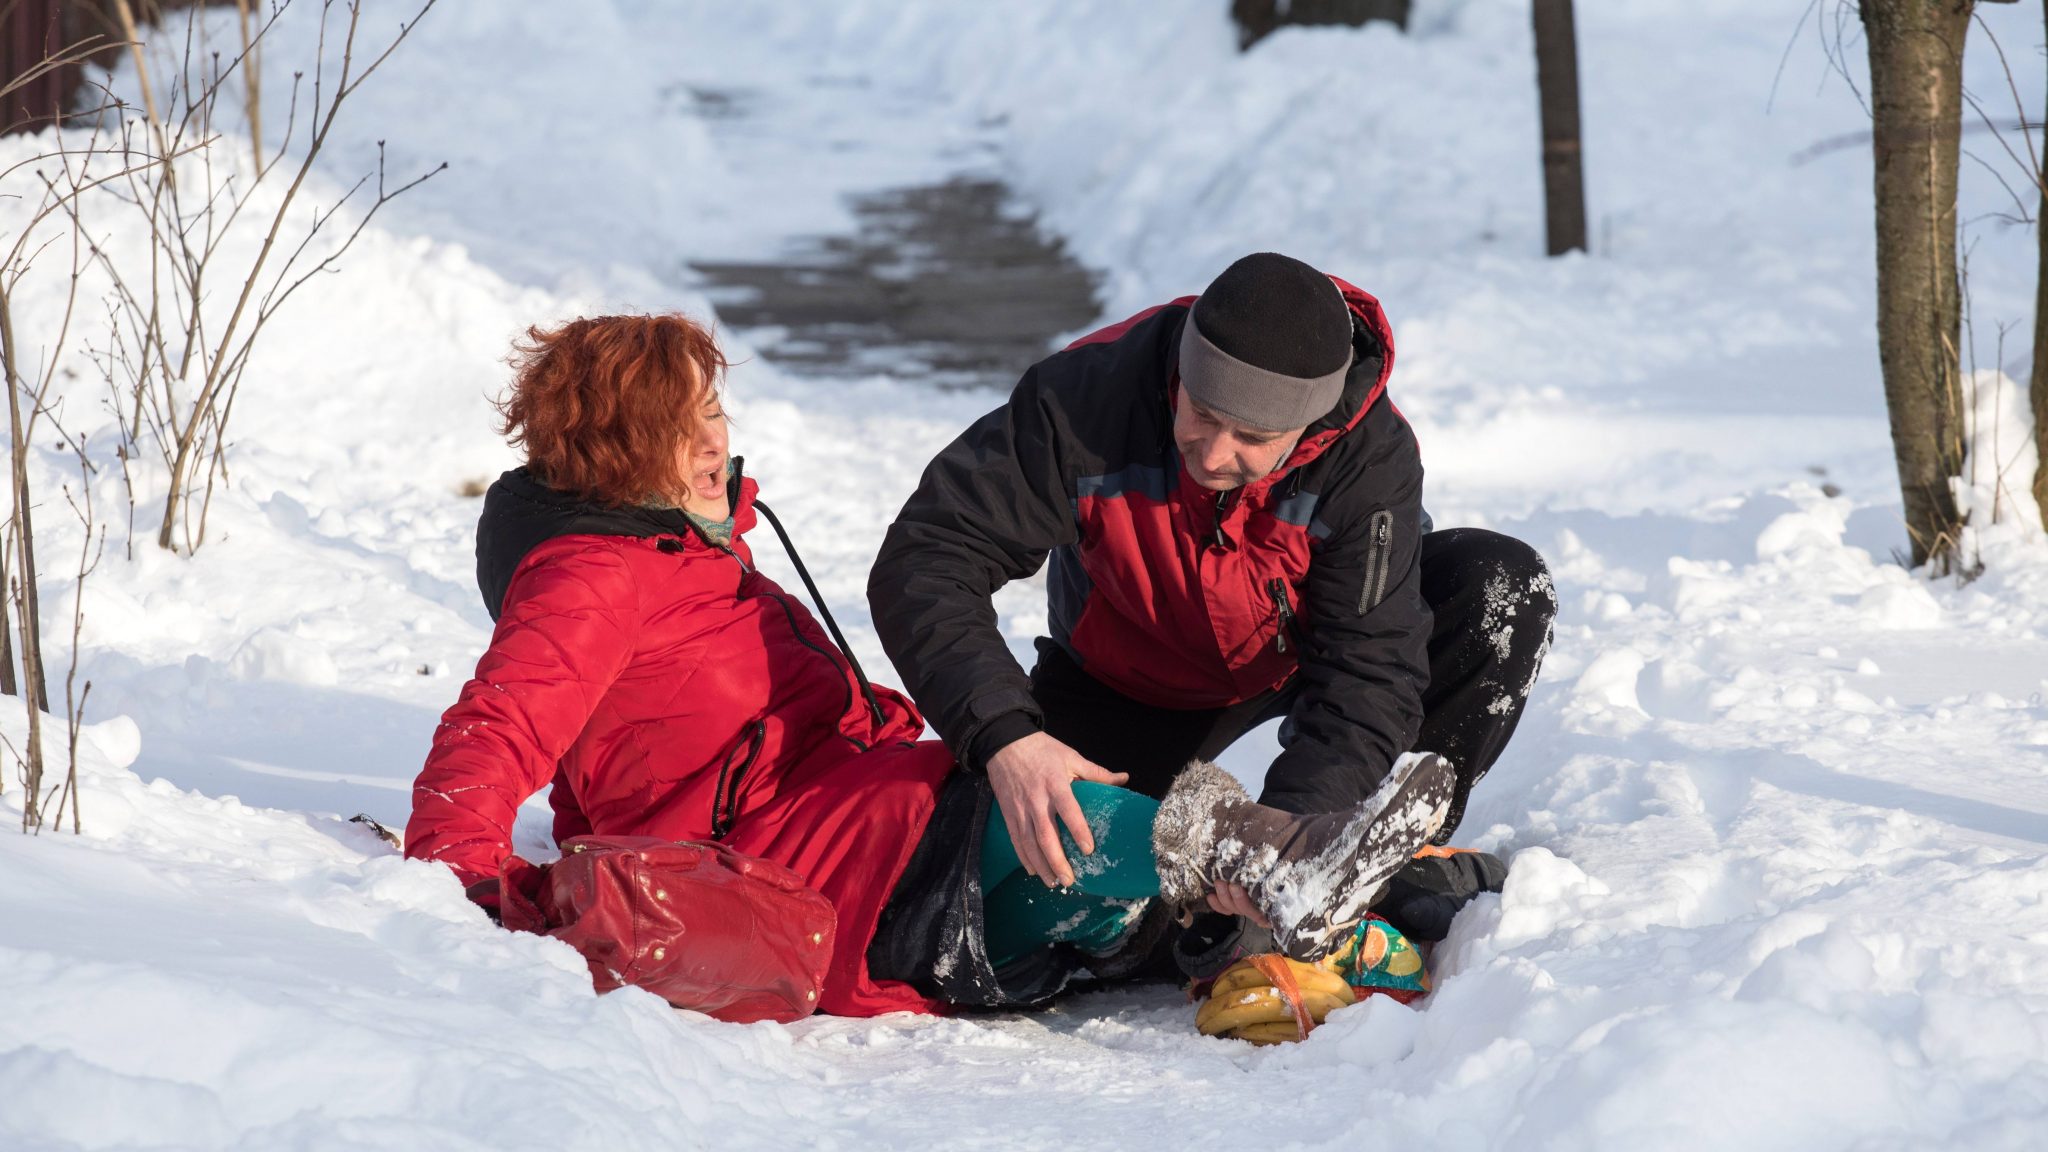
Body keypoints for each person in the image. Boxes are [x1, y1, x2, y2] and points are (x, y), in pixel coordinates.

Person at [403, 313, 1453, 1019]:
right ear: (626, 451)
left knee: (1091, 864)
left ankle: (1303, 895)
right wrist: (451, 880)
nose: (718, 439)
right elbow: (496, 727)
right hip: (805, 862)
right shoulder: (591, 577)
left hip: (858, 828)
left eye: (712, 412)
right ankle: (1285, 867)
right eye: (690, 423)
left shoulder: (674, 551)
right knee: (1070, 818)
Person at [867, 252, 1557, 977]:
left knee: (1497, 588)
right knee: (1005, 893)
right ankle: (1232, 914)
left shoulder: (1367, 456)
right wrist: (1006, 737)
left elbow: (1370, 671)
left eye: (1252, 439)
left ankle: (1352, 870)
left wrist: (1289, 832)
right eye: (1200, 412)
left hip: (1297, 657)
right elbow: (928, 557)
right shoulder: (1086, 397)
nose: (1213, 453)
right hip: (1123, 679)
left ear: (1309, 427)